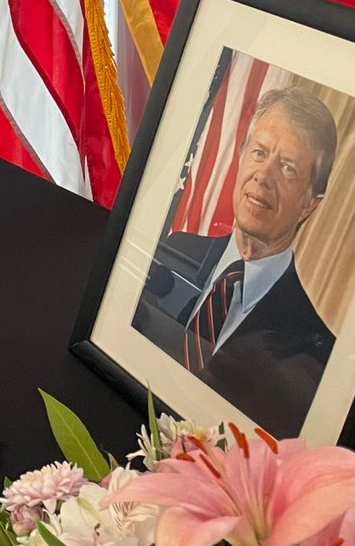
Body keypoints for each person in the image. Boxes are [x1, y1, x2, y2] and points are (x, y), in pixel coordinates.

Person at [132, 86, 338, 438]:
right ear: (241, 157)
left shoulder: (316, 359)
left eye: (287, 167)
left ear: (310, 204)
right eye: (259, 153)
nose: (264, 175)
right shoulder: (174, 250)